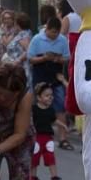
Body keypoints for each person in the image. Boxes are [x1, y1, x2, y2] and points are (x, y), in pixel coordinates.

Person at [28, 17, 71, 150]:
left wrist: (58, 59)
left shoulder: (62, 40)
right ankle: (34, 137)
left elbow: (67, 57)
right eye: (52, 32)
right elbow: (30, 58)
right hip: (40, 77)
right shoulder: (37, 39)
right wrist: (44, 58)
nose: (54, 35)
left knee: (60, 108)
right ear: (47, 29)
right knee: (36, 108)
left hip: (56, 78)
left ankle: (63, 138)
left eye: (56, 33)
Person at [30, 82, 64, 180]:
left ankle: (55, 177)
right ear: (39, 97)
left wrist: (63, 125)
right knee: (35, 157)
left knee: (50, 156)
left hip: (48, 138)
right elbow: (30, 121)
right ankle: (33, 177)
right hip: (37, 138)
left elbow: (54, 120)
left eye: (51, 95)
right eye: (47, 95)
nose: (50, 97)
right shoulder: (34, 109)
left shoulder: (50, 110)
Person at [3, 12, 33, 81]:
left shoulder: (24, 35)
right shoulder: (20, 34)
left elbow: (27, 50)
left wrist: (17, 61)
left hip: (22, 69)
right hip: (16, 69)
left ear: (17, 24)